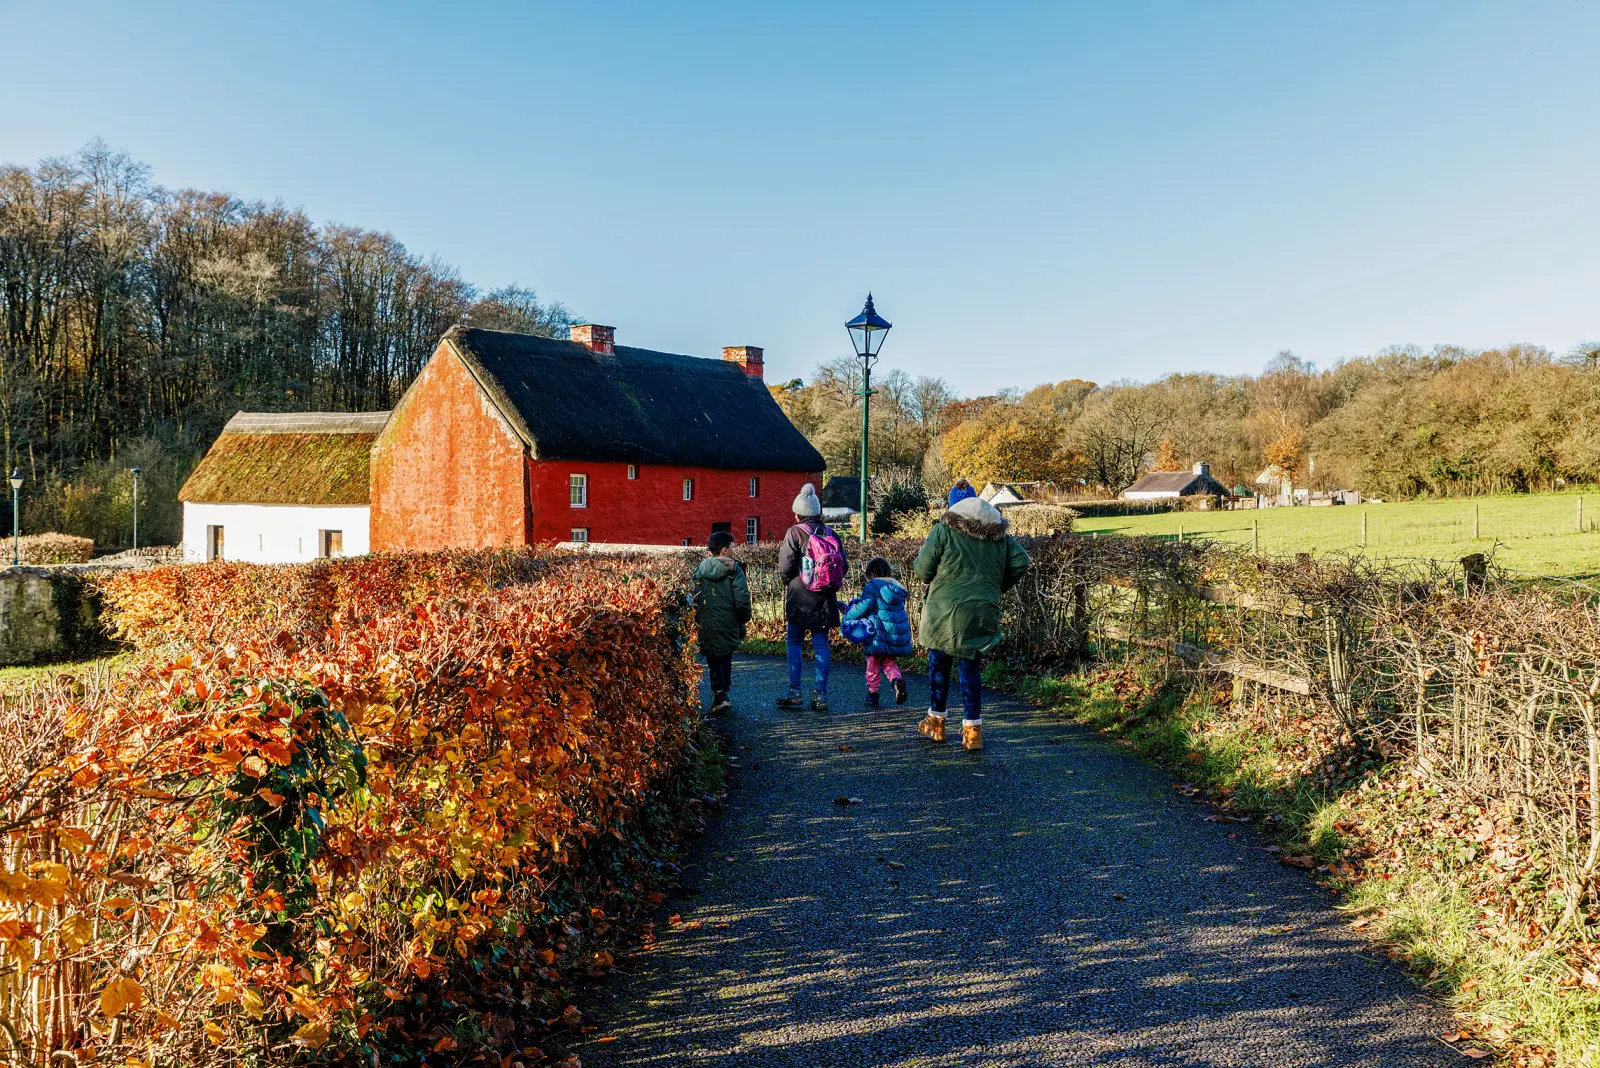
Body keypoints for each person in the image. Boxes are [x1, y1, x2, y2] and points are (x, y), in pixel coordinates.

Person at [912, 494, 1030, 750]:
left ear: (954, 505)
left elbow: (922, 570)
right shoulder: (1000, 535)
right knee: (971, 668)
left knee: (939, 665)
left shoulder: (943, 530)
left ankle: (936, 724)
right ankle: (972, 732)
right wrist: (995, 587)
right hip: (982, 610)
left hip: (944, 609)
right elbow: (1022, 561)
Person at [776, 483, 847, 712]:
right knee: (821, 644)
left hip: (799, 595)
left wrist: (793, 583)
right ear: (817, 513)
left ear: (798, 513)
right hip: (825, 597)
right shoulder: (831, 533)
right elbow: (843, 565)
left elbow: (785, 566)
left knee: (794, 642)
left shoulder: (794, 532)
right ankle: (821, 695)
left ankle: (795, 692)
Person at [842, 557, 913, 707]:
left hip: (877, 632)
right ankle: (897, 681)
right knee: (889, 662)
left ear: (872, 573)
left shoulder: (872, 586)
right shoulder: (896, 587)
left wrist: (848, 616)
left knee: (873, 663)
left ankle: (873, 693)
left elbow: (866, 605)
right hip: (894, 633)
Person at [693, 530, 750, 715]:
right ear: (724, 550)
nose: (735, 549)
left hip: (707, 619)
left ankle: (719, 694)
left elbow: (695, 596)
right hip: (729, 618)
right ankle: (723, 694)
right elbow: (742, 597)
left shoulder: (700, 569)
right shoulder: (734, 569)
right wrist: (744, 616)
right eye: (733, 546)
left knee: (712, 656)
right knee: (725, 654)